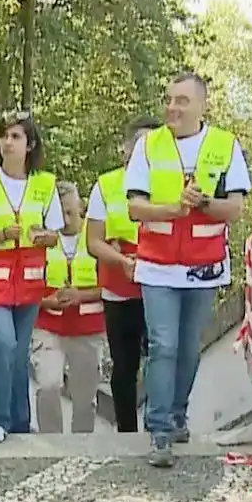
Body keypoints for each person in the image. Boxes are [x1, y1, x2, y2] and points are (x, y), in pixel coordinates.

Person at [125, 72, 250, 467]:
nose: (172, 108)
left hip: (204, 266)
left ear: (202, 105)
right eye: (169, 99)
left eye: (182, 100)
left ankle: (177, 415)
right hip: (158, 266)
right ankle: (159, 430)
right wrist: (173, 207)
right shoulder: (148, 145)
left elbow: (235, 207)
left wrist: (203, 205)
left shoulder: (224, 145)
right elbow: (134, 207)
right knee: (163, 345)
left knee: (189, 349)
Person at [0, 110, 63, 444]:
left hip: (29, 284)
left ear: (30, 144)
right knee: (3, 343)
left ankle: (20, 421)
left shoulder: (45, 185)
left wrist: (45, 237)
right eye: (4, 135)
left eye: (16, 136)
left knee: (17, 355)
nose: (7, 142)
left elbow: (55, 233)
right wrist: (0, 235)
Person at [86, 115, 161, 433]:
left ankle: (161, 426)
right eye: (139, 144)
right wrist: (121, 260)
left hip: (160, 287)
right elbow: (93, 241)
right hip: (119, 289)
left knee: (162, 358)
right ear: (125, 149)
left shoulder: (172, 185)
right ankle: (127, 432)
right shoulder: (106, 185)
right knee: (125, 366)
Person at [32, 181, 105, 433]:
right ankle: (51, 443)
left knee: (84, 399)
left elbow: (113, 287)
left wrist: (82, 296)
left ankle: (81, 446)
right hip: (49, 326)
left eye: (70, 212)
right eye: (59, 212)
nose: (64, 219)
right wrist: (46, 301)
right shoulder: (43, 239)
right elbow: (26, 285)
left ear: (81, 207)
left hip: (88, 329)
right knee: (48, 385)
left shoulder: (97, 237)